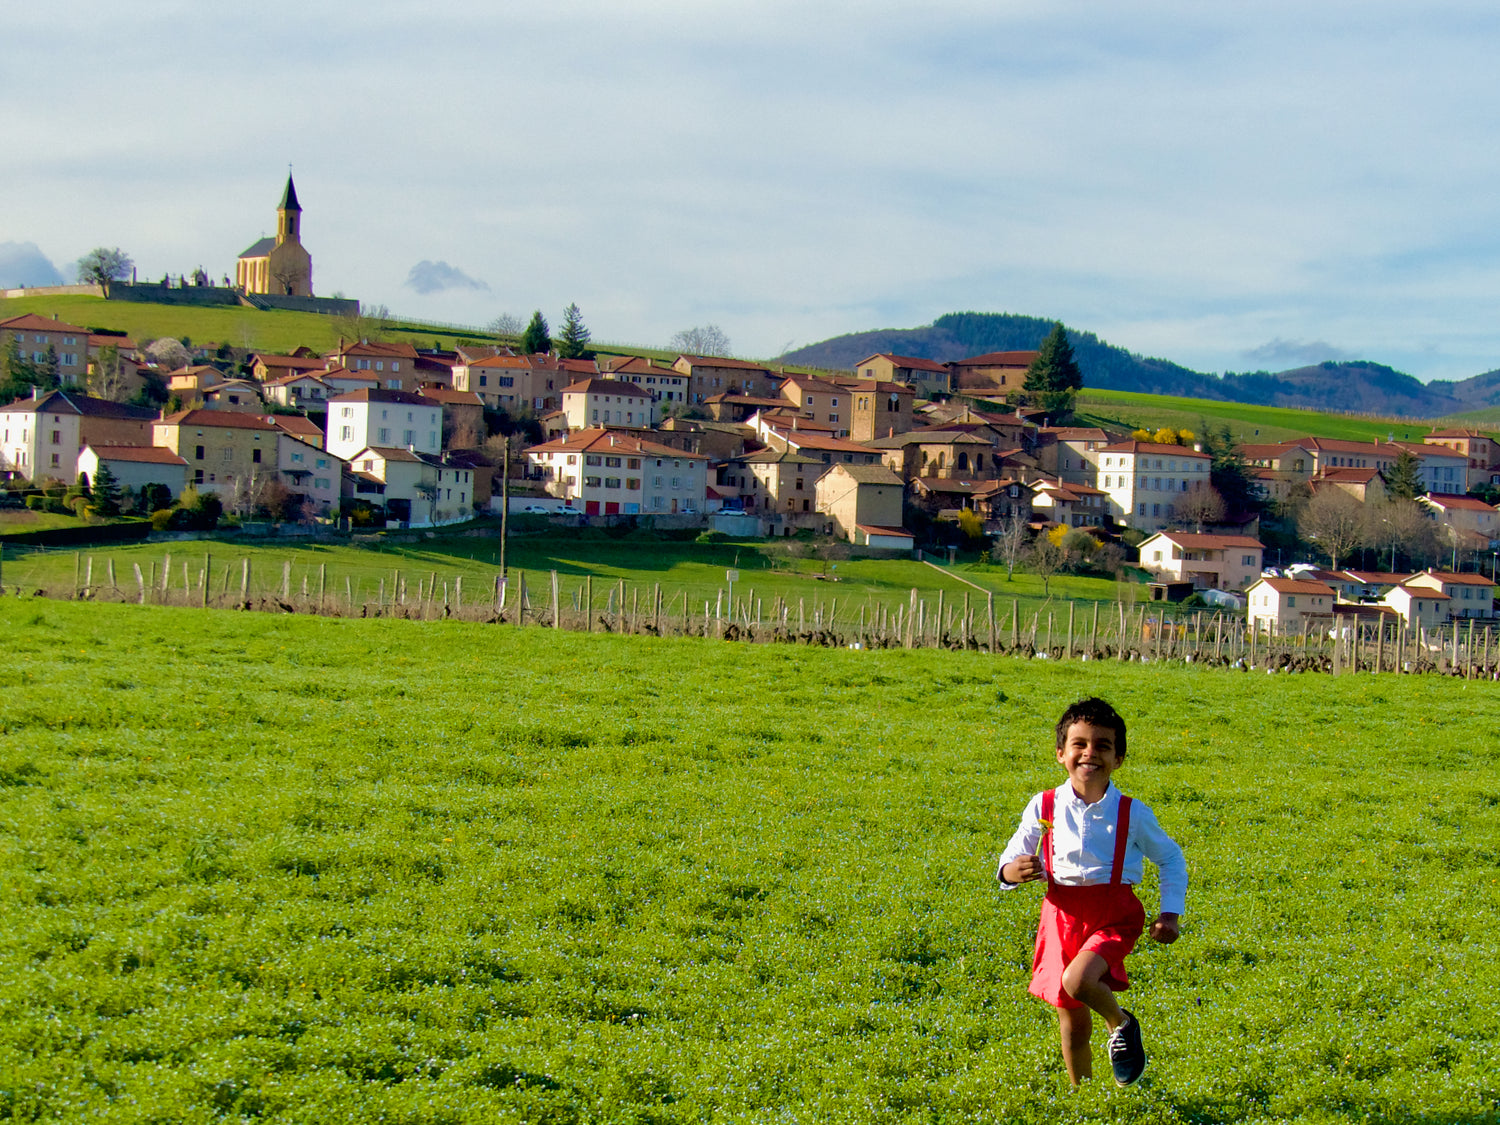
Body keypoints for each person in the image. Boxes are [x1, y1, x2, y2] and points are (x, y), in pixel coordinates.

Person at [997, 696, 1187, 1087]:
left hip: (1113, 913)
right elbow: (1011, 857)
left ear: (1118, 759)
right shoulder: (1044, 804)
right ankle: (1081, 1094)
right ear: (1060, 753)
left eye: (1103, 745)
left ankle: (1122, 1024)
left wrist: (1170, 912)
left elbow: (1170, 858)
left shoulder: (1133, 813)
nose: (1090, 753)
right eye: (1079, 744)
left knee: (1078, 980)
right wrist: (1011, 872)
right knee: (1071, 1019)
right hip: (1060, 916)